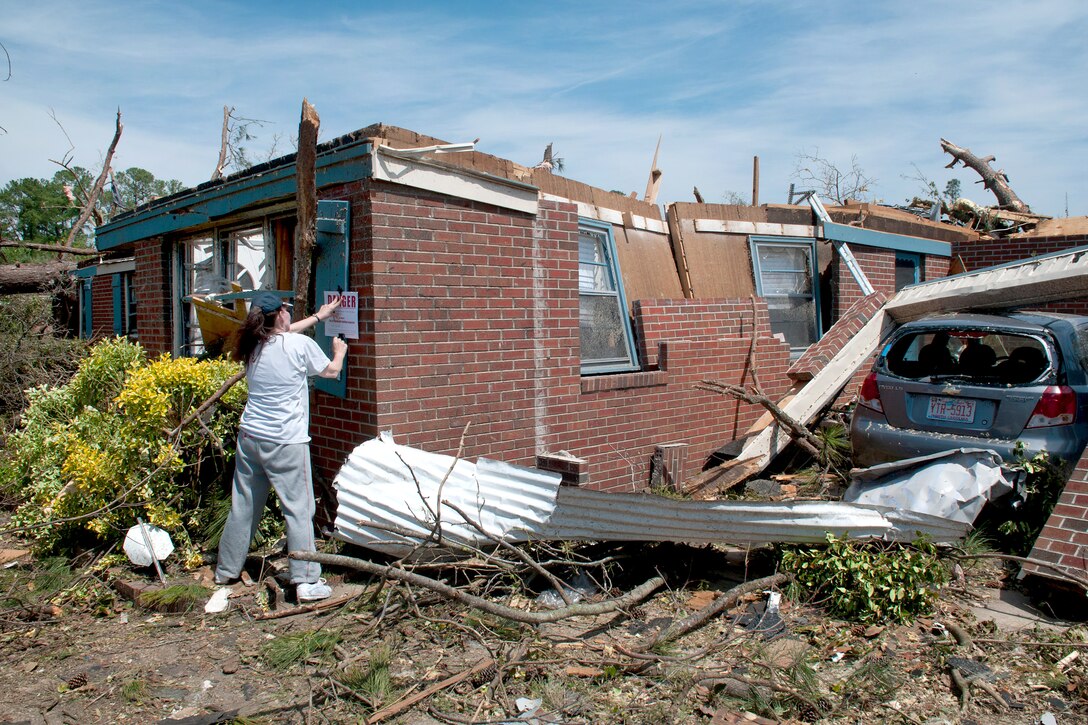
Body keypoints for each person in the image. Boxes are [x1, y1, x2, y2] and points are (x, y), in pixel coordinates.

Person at [215, 290, 347, 602]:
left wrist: (319, 317)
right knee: (299, 510)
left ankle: (226, 571)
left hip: (250, 439)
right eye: (286, 310)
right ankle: (305, 581)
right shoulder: (298, 345)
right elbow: (331, 371)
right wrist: (339, 351)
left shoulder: (252, 346)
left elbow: (283, 336)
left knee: (244, 506)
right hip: (286, 442)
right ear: (281, 314)